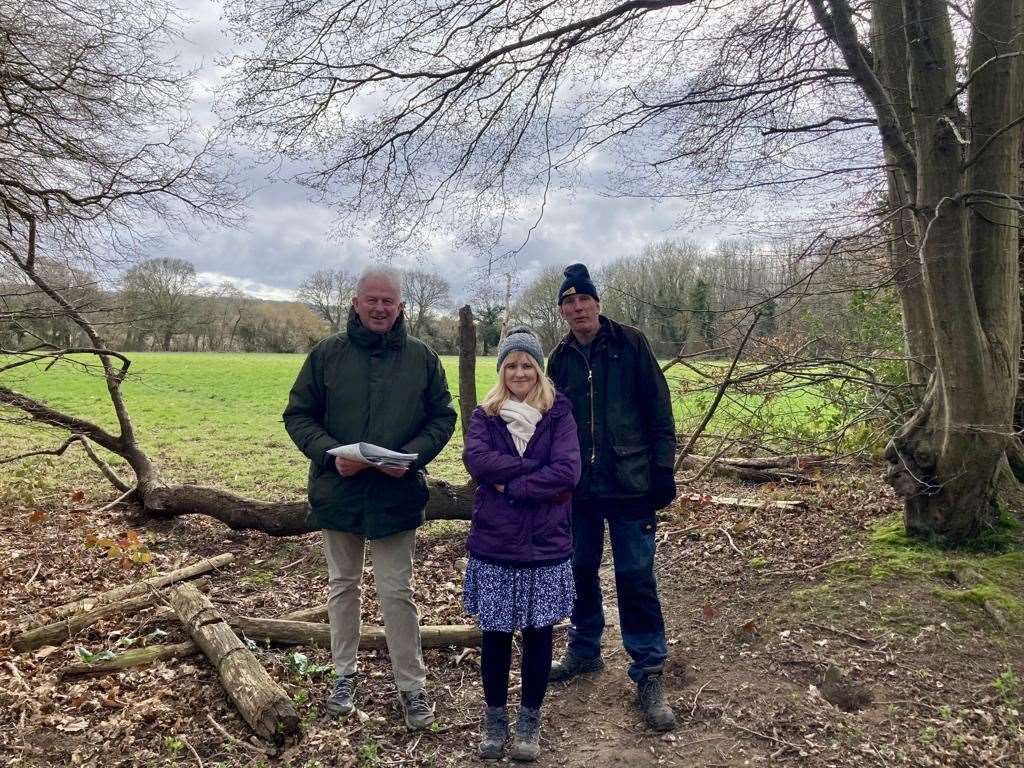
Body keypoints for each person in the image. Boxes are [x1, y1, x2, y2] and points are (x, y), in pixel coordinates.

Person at [282, 265, 456, 730]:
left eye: (388, 301)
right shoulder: (327, 355)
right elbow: (298, 415)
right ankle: (344, 674)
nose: (380, 308)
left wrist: (414, 458)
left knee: (397, 591)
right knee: (342, 586)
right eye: (371, 299)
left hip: (396, 493)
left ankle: (411, 686)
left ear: (401, 306)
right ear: (355, 303)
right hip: (339, 490)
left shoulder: (422, 357)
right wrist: (328, 455)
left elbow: (443, 416)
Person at [546, 263, 679, 732]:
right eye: (569, 301)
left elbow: (659, 410)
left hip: (631, 482)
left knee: (636, 576)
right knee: (579, 569)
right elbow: (549, 425)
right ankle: (584, 651)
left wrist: (662, 470)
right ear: (562, 309)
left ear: (597, 304)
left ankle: (649, 670)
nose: (578, 307)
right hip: (577, 488)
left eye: (584, 299)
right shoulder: (559, 358)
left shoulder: (632, 344)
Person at [462, 327, 581, 761]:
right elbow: (477, 461)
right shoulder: (485, 415)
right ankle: (495, 717)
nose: (519, 372)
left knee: (538, 634)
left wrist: (510, 485)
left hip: (545, 544)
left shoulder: (559, 413)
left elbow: (567, 472)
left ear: (539, 368)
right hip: (494, 544)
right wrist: (536, 469)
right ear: (501, 370)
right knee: (494, 636)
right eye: (511, 364)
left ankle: (529, 717)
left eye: (526, 364)